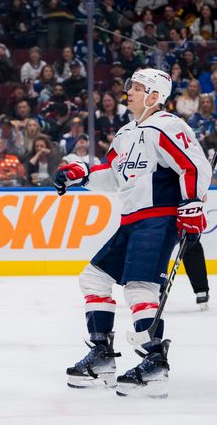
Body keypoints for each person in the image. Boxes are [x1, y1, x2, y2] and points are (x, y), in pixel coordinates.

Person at [55, 69, 211, 398]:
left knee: (140, 287)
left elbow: (193, 165)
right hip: (130, 220)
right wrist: (79, 173)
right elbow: (110, 174)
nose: (130, 92)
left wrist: (192, 205)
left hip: (158, 218)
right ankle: (101, 356)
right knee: (93, 278)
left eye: (137, 88)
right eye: (131, 87)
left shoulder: (167, 125)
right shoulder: (127, 133)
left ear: (154, 96)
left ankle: (155, 363)